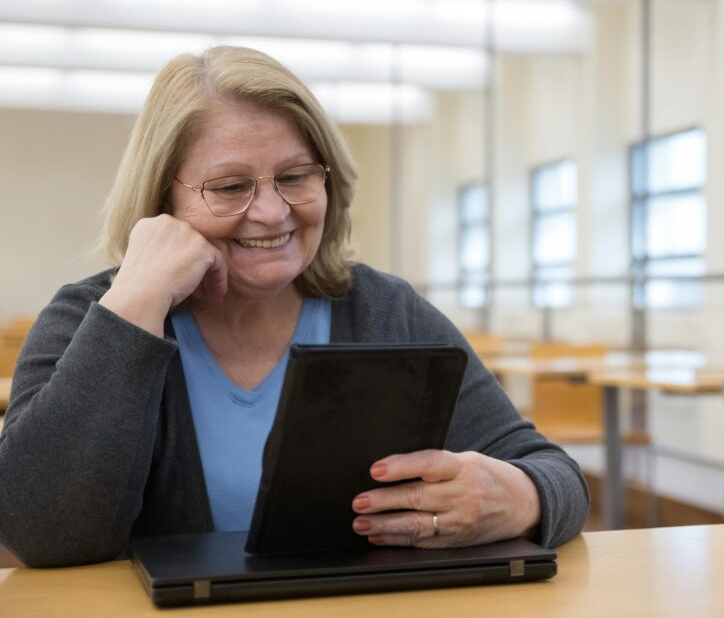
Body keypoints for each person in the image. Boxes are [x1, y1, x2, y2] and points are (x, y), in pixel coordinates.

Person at [0, 46, 588, 568]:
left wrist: (519, 497)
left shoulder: (383, 310)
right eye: (230, 187)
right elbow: (39, 533)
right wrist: (135, 300)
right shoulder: (88, 317)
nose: (273, 212)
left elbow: (557, 476)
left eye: (295, 176)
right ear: (161, 201)